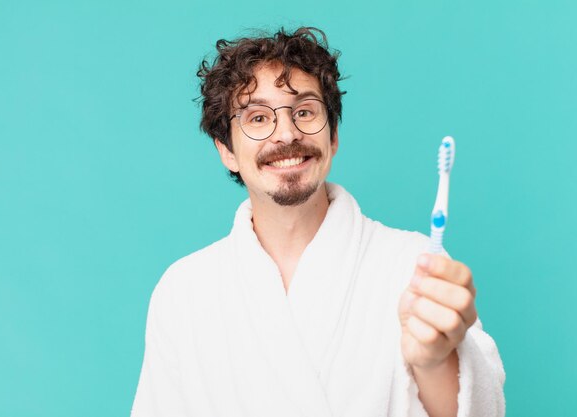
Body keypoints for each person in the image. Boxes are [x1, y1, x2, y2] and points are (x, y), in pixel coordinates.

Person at [131, 27, 505, 417]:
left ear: (334, 136)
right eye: (258, 118)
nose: (287, 133)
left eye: (305, 111)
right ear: (226, 150)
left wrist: (434, 362)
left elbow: (482, 409)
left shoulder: (413, 266)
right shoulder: (184, 292)